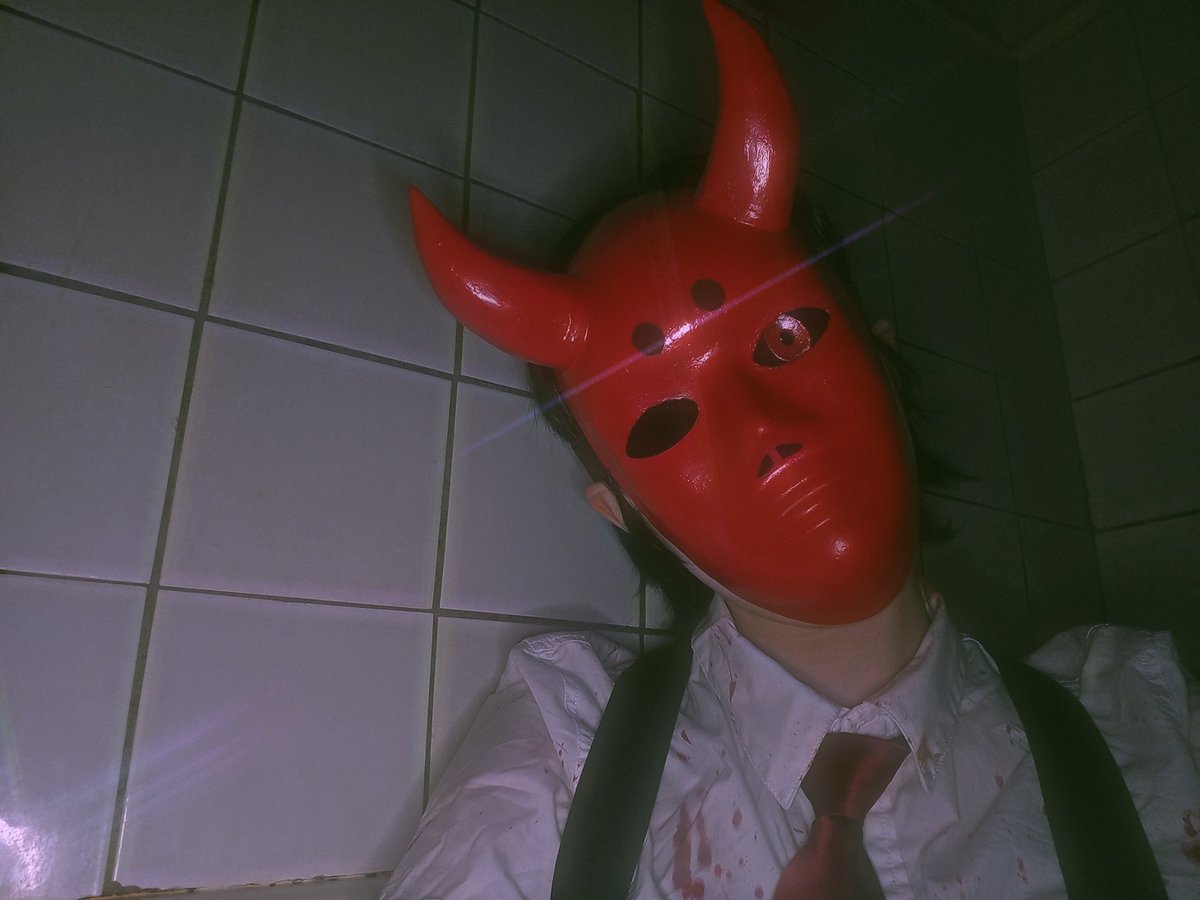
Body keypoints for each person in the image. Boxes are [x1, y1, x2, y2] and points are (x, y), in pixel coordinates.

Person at [382, 2, 1199, 897]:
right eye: (665, 422)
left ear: (883, 358)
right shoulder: (562, 750)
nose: (762, 429)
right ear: (622, 510)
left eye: (784, 340)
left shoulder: (1143, 719)